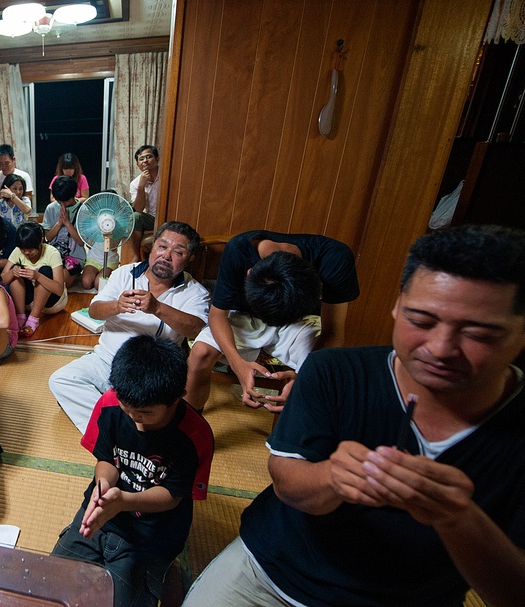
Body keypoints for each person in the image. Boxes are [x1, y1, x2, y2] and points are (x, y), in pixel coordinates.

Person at [183, 224, 525, 607]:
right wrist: (331, 476)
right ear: (398, 305)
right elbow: (286, 482)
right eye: (421, 320)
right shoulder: (337, 374)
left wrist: (458, 519)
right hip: (269, 569)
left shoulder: (333, 271)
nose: (441, 349)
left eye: (478, 334)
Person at [52, 335, 214, 607]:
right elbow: (106, 460)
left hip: (152, 533)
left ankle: (167, 574)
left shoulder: (195, 434)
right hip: (102, 512)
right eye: (128, 410)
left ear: (177, 397)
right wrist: (103, 487)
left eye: (145, 413)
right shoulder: (110, 403)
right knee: (49, 586)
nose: (135, 420)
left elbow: (172, 496)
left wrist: (124, 502)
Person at [49, 222, 210, 433]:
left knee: (162, 412)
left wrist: (158, 308)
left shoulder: (195, 292)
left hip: (150, 373)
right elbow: (95, 310)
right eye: (162, 247)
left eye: (177, 252)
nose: (166, 256)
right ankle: (120, 430)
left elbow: (196, 328)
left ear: (189, 259)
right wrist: (117, 306)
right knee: (61, 380)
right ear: (152, 248)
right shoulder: (124, 274)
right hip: (106, 359)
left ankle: (112, 417)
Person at [185, 230, 359, 413]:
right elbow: (217, 315)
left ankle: (287, 435)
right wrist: (237, 364)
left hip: (298, 322)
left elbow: (333, 332)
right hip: (246, 315)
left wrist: (304, 379)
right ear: (250, 273)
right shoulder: (238, 249)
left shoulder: (336, 258)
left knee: (325, 371)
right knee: (200, 353)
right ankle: (190, 423)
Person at [1, 221, 68, 339]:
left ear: (41, 240)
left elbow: (59, 290)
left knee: (45, 271)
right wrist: (12, 272)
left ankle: (33, 320)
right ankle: (20, 316)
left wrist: (37, 276)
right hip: (29, 302)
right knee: (15, 271)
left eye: (31, 249)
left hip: (52, 303)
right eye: (23, 249)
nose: (26, 252)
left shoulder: (52, 253)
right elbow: (1, 281)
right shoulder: (18, 251)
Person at [42, 175, 86, 289]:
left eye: (65, 201)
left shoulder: (83, 210)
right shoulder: (51, 208)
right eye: (58, 201)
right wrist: (59, 223)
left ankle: (75, 275)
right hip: (53, 254)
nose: (61, 204)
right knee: (45, 279)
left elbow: (81, 242)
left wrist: (67, 223)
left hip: (75, 256)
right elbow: (47, 237)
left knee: (61, 284)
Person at [127, 145, 160, 263]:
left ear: (157, 158)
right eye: (141, 159)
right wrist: (141, 186)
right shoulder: (136, 183)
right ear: (137, 164)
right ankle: (137, 255)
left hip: (170, 214)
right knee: (134, 217)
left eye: (149, 157)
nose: (145, 160)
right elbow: (138, 209)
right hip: (152, 218)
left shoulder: (166, 175)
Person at [0, 143, 34, 224]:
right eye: (0, 164)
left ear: (13, 159)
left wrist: (12, 196)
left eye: (7, 163)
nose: (4, 167)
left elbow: (28, 200)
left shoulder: (24, 176)